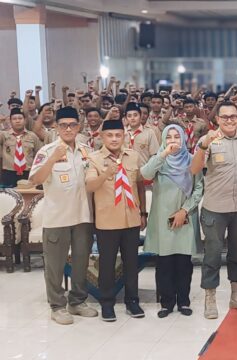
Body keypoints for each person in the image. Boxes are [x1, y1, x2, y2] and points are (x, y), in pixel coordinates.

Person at [190, 101, 237, 319]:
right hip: (214, 209)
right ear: (217, 120)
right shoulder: (207, 140)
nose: (229, 120)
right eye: (225, 117)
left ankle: (236, 295)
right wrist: (203, 147)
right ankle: (209, 299)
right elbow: (193, 170)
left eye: (233, 116)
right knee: (212, 255)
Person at [29, 106, 96, 325]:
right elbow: (35, 180)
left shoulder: (86, 150)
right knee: (55, 265)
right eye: (64, 125)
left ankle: (77, 301)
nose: (68, 129)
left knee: (80, 262)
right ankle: (57, 306)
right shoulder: (46, 151)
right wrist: (52, 160)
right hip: (57, 217)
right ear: (56, 127)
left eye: (73, 124)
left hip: (83, 217)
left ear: (79, 126)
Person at [85, 119, 147, 322]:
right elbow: (90, 186)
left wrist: (143, 212)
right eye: (109, 135)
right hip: (107, 221)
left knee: (131, 263)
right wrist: (106, 174)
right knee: (107, 264)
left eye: (118, 135)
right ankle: (107, 303)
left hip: (131, 219)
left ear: (124, 136)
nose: (114, 139)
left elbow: (139, 185)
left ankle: (132, 301)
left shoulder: (133, 156)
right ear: (102, 137)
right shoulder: (94, 159)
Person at [141, 124, 203, 318]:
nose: (174, 140)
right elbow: (145, 174)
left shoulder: (193, 160)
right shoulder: (159, 160)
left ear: (184, 138)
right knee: (165, 263)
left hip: (185, 217)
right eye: (169, 137)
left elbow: (199, 188)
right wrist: (163, 154)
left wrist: (185, 210)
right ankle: (166, 303)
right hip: (163, 220)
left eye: (177, 137)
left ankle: (184, 301)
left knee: (184, 263)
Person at [0, 108, 42, 187]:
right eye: (14, 119)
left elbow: (39, 154)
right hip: (8, 174)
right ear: (10, 121)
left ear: (25, 120)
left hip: (27, 173)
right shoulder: (4, 135)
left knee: (27, 197)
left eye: (20, 118)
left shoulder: (32, 136)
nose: (17, 121)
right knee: (8, 197)